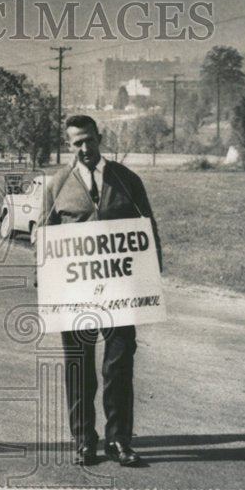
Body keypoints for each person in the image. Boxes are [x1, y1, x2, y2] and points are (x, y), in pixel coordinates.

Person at [39, 115, 162, 467]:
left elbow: (147, 228)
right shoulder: (59, 183)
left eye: (89, 140)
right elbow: (46, 235)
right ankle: (83, 440)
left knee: (119, 364)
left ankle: (119, 440)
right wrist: (45, 279)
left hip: (120, 289)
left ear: (100, 138)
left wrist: (152, 271)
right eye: (77, 142)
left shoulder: (126, 180)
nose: (85, 148)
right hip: (74, 290)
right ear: (68, 145)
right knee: (79, 365)